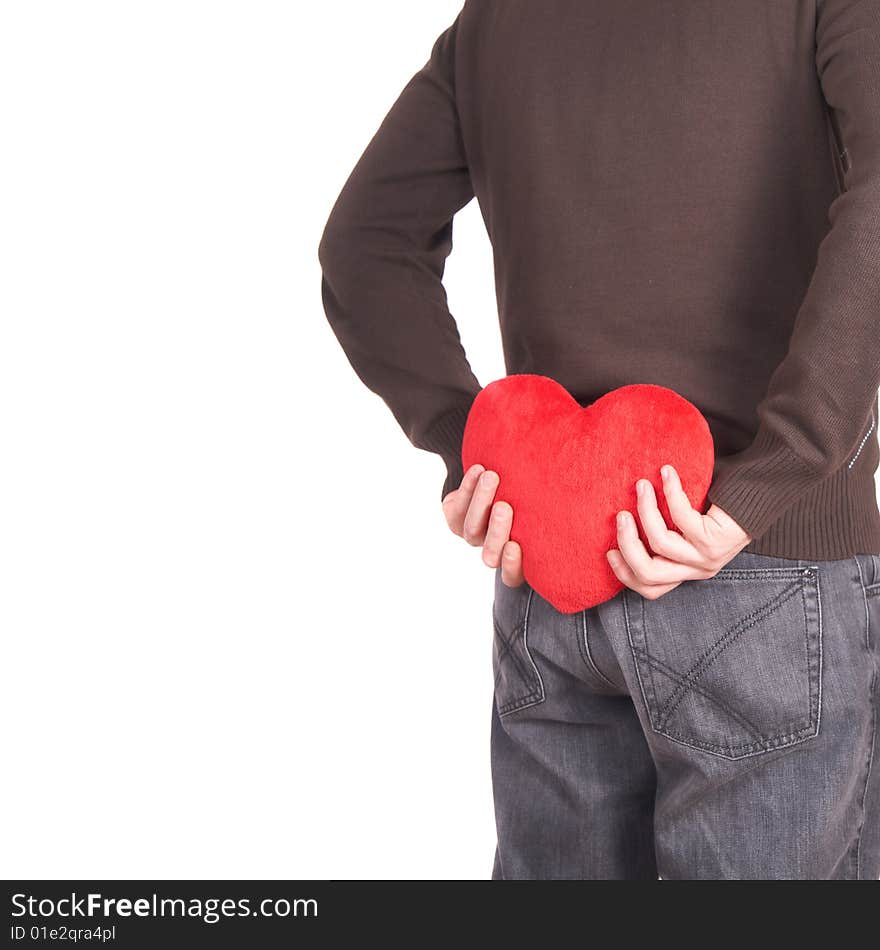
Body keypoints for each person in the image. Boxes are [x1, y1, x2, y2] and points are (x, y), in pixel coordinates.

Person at [318, 1, 880, 879]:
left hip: (549, 582)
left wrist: (483, 453)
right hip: (761, 570)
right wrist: (771, 480)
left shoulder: (498, 17)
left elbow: (363, 244)